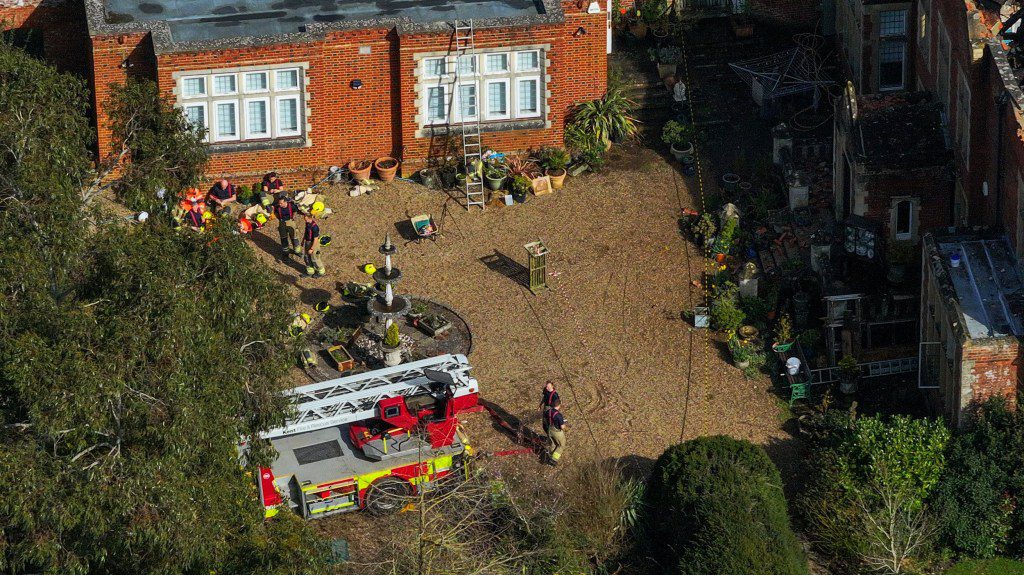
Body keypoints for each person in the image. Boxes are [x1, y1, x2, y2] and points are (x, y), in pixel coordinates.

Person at [543, 399, 567, 466]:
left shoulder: (548, 411)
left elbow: (545, 419)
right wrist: (566, 427)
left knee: (553, 444)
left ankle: (550, 456)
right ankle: (553, 460)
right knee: (561, 445)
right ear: (559, 405)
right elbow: (562, 427)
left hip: (549, 429)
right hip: (556, 432)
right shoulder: (559, 415)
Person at [301, 212, 325, 278]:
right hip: (308, 242)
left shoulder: (315, 227)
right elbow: (306, 233)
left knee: (315, 258)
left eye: (306, 219)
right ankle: (310, 271)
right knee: (307, 257)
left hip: (314, 244)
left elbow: (315, 239)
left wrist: (312, 249)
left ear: (310, 218)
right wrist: (303, 240)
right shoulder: (307, 223)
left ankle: (321, 272)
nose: (304, 220)